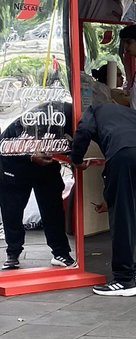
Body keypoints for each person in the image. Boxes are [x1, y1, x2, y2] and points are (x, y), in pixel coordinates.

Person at [70, 104, 136, 296]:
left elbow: (84, 130)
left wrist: (76, 159)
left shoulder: (93, 110)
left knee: (123, 217)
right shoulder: (130, 113)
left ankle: (124, 280)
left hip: (126, 152)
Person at [0, 112, 75, 271]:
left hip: (46, 165)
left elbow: (70, 132)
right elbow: (4, 142)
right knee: (11, 210)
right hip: (14, 166)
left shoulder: (55, 108)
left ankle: (60, 252)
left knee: (53, 209)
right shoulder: (12, 109)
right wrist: (29, 155)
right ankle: (13, 252)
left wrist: (71, 153)